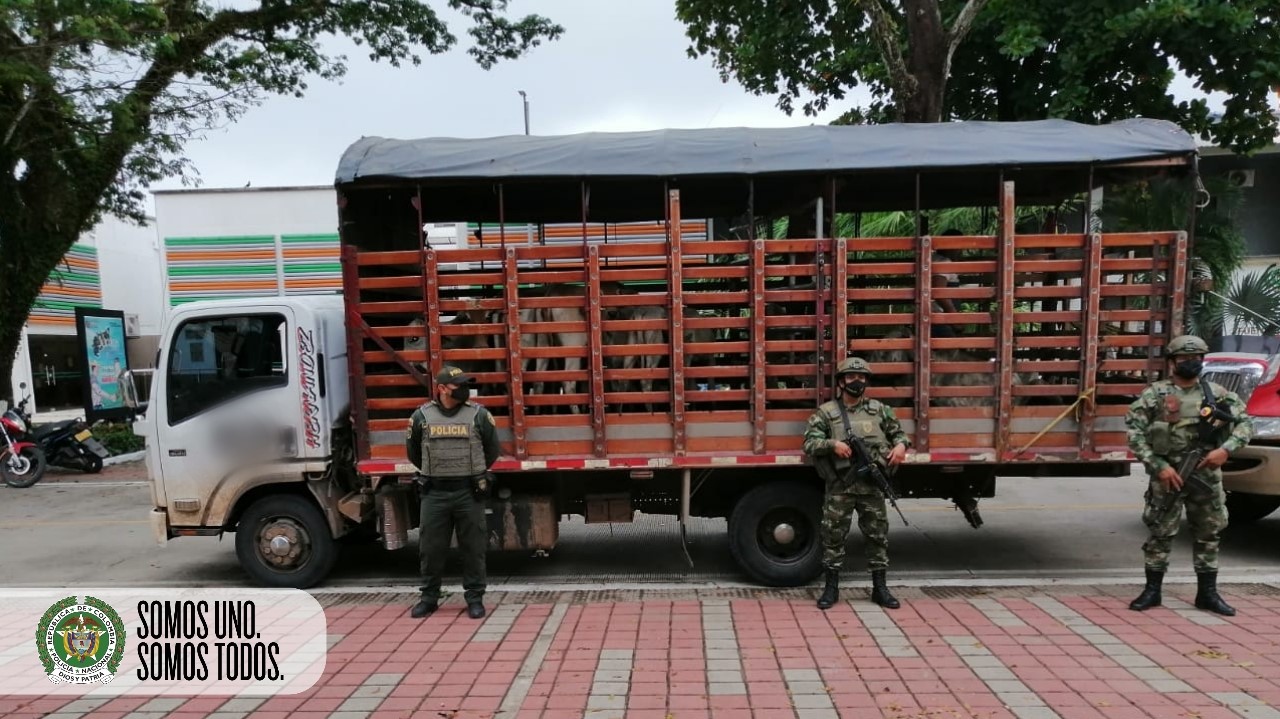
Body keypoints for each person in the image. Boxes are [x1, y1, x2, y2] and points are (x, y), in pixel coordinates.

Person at [1125, 335, 1253, 616]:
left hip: (1205, 473)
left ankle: (1207, 593)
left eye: (1195, 359)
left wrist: (1226, 450)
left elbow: (1245, 423)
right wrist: (1159, 466)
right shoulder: (1155, 394)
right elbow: (1134, 433)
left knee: (1209, 532)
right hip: (1168, 473)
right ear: (1172, 362)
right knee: (1160, 530)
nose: (1190, 363)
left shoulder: (1217, 394)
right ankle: (1152, 591)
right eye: (1184, 359)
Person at [804, 357, 911, 610]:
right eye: (851, 377)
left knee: (877, 537)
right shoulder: (827, 413)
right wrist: (833, 444)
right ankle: (831, 589)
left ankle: (880, 589)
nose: (857, 381)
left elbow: (900, 434)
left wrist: (900, 447)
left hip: (871, 486)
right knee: (833, 537)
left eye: (862, 377)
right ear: (841, 382)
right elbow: (809, 443)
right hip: (841, 486)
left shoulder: (880, 410)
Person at [406, 365, 501, 619]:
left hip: (468, 492)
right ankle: (429, 598)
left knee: (473, 548)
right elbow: (414, 452)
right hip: (434, 493)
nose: (464, 390)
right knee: (430, 548)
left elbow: (492, 450)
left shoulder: (479, 415)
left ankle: (474, 598)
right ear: (442, 389)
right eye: (458, 385)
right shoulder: (421, 417)